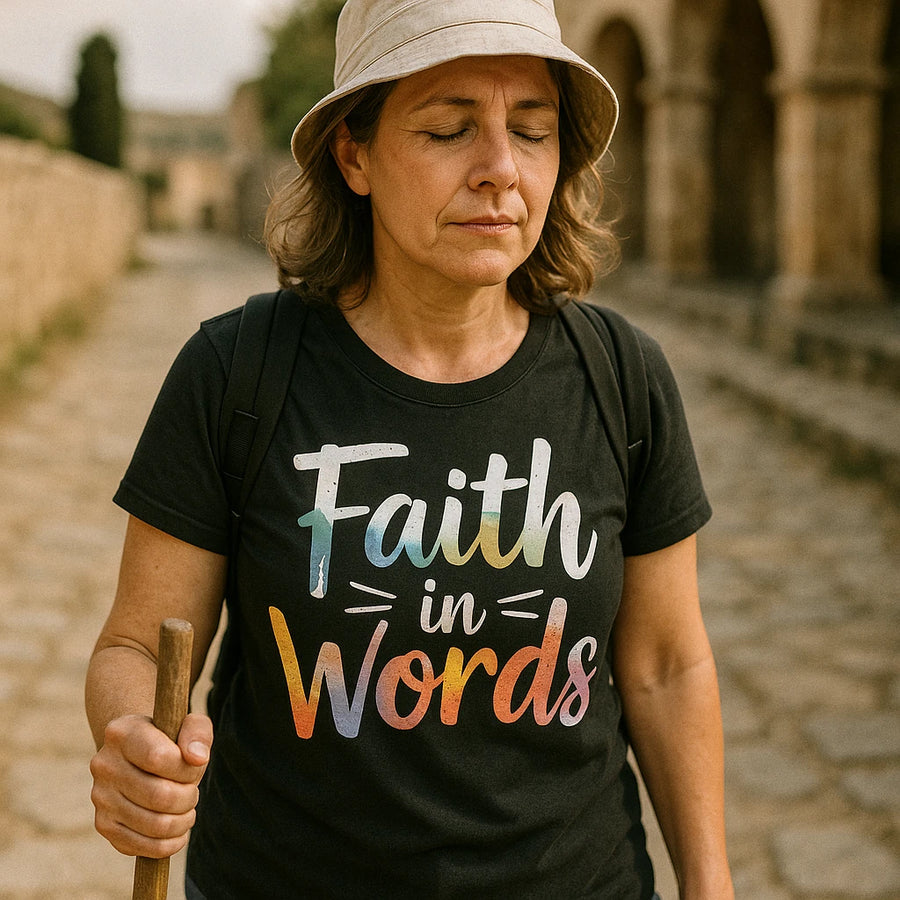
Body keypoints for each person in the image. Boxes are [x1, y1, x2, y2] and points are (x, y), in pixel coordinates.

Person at [86, 1, 733, 897]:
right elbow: (133, 645)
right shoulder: (237, 373)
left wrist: (711, 884)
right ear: (354, 156)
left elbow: (666, 667)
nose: (501, 169)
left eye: (533, 130)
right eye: (447, 129)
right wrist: (132, 743)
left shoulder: (621, 377)